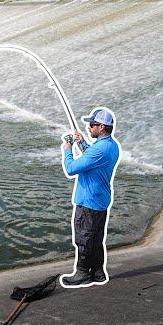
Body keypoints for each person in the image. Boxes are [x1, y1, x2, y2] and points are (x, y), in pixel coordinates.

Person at [60, 107, 121, 288]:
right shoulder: (111, 146)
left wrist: (68, 149)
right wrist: (83, 143)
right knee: (96, 239)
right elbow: (94, 158)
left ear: (101, 127)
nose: (88, 127)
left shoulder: (100, 149)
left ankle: (82, 273)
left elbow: (71, 168)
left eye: (92, 125)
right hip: (100, 201)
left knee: (84, 238)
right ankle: (98, 272)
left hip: (89, 202)